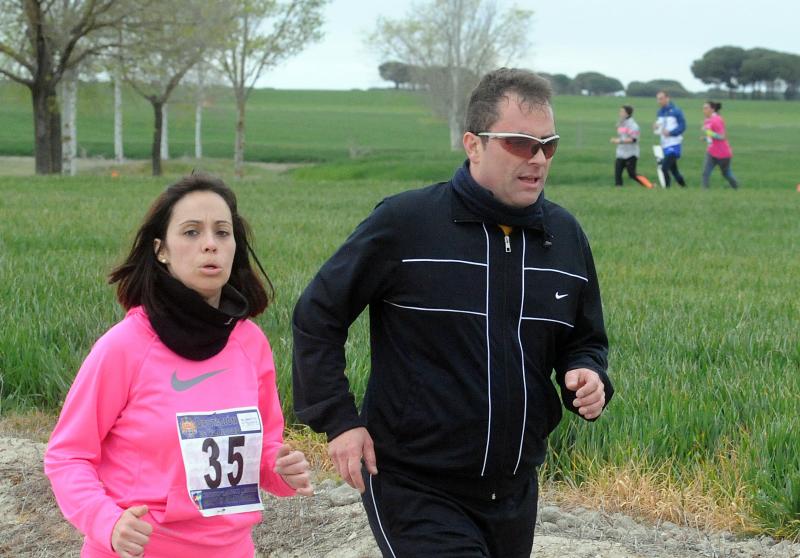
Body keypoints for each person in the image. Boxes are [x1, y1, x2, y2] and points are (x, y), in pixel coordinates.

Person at [292, 68, 613, 558]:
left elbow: (585, 339)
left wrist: (588, 374)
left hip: (514, 488)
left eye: (549, 145)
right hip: (414, 483)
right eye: (520, 143)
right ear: (474, 144)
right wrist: (338, 419)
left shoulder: (564, 237)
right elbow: (319, 315)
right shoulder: (406, 224)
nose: (539, 159)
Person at [45, 174, 313, 558]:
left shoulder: (250, 343)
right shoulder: (124, 347)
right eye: (191, 232)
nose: (210, 244)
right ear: (161, 250)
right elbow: (67, 455)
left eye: (223, 233)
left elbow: (263, 449)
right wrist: (107, 522)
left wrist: (281, 469)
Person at [610, 105, 653, 188]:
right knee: (617, 172)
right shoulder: (622, 123)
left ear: (627, 113)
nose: (620, 113)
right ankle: (618, 188)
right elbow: (622, 134)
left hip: (631, 153)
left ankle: (649, 185)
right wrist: (618, 129)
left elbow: (634, 139)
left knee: (632, 174)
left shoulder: (633, 125)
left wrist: (619, 141)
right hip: (621, 152)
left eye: (622, 112)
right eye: (620, 111)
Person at [701, 101, 739, 189]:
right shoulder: (707, 120)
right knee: (705, 173)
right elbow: (712, 137)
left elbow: (722, 137)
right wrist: (705, 138)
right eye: (703, 108)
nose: (704, 110)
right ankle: (704, 193)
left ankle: (736, 187)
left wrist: (707, 132)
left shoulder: (717, 119)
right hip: (711, 152)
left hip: (723, 153)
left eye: (706, 108)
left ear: (712, 109)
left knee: (726, 174)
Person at [654, 90, 687, 187]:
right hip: (664, 144)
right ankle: (684, 187)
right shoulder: (659, 112)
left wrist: (671, 133)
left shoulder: (676, 111)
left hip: (674, 144)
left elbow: (683, 126)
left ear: (667, 98)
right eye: (658, 99)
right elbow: (660, 128)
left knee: (664, 168)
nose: (659, 101)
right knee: (674, 171)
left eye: (661, 99)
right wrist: (656, 127)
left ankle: (666, 189)